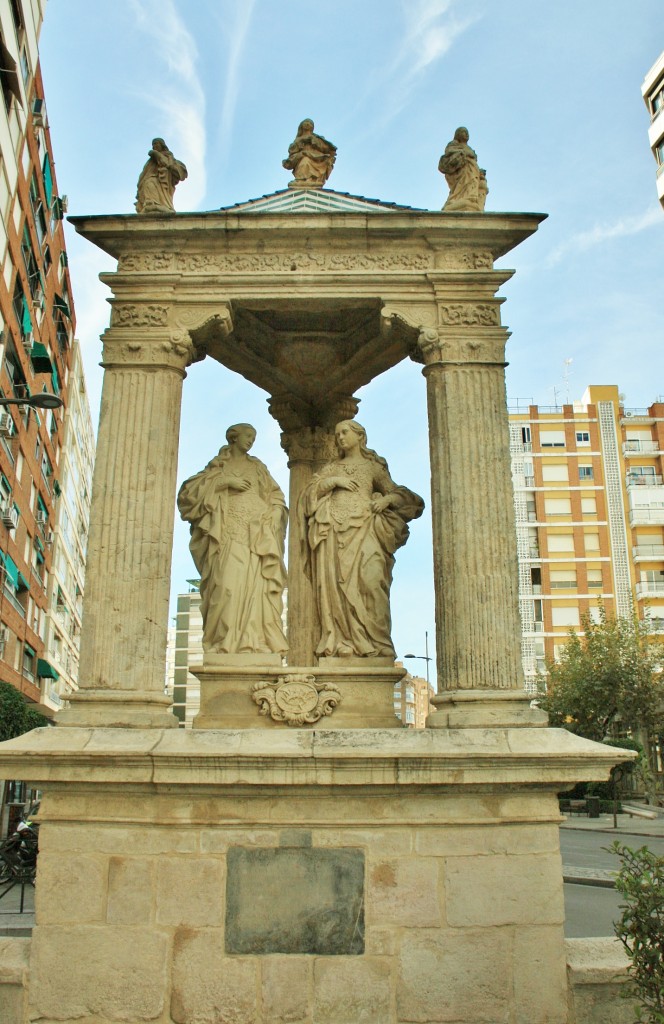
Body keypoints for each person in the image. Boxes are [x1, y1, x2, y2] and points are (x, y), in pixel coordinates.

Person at [302, 421, 423, 659]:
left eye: (345, 432)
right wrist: (333, 482)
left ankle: (376, 641)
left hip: (366, 528)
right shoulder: (332, 467)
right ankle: (343, 640)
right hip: (334, 532)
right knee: (336, 586)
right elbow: (309, 495)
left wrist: (386, 501)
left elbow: (399, 493)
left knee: (372, 581)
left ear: (360, 436)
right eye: (337, 434)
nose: (340, 437)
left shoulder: (372, 467)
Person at [177, 424, 288, 655]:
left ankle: (254, 642)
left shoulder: (258, 467)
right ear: (233, 438)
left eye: (254, 437)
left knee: (257, 591)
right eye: (248, 436)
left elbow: (276, 496)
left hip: (256, 537)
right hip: (228, 534)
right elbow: (188, 495)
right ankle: (225, 642)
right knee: (226, 587)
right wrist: (225, 482)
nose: (251, 441)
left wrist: (276, 512)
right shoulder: (218, 467)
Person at [438, 127, 488, 212]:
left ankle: (470, 198)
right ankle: (459, 199)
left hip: (472, 170)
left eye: (467, 132)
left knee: (471, 183)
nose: (466, 134)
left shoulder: (469, 147)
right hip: (462, 170)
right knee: (462, 184)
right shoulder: (454, 144)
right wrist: (465, 153)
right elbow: (450, 153)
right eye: (464, 132)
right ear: (458, 134)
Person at [135, 138, 188, 214]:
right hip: (150, 179)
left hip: (164, 183)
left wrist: (156, 154)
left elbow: (168, 164)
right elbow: (144, 172)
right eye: (153, 145)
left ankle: (160, 205)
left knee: (151, 183)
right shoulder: (150, 161)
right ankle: (151, 204)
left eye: (156, 144)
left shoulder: (169, 157)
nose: (154, 146)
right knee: (149, 183)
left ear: (162, 145)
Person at [282, 118, 337, 188]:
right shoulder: (298, 139)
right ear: (301, 126)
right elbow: (292, 150)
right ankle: (301, 180)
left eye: (310, 123)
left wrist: (314, 142)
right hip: (302, 156)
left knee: (307, 161)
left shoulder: (317, 138)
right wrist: (301, 142)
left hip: (316, 158)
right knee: (304, 162)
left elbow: (325, 148)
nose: (308, 124)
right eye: (306, 122)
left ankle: (311, 179)